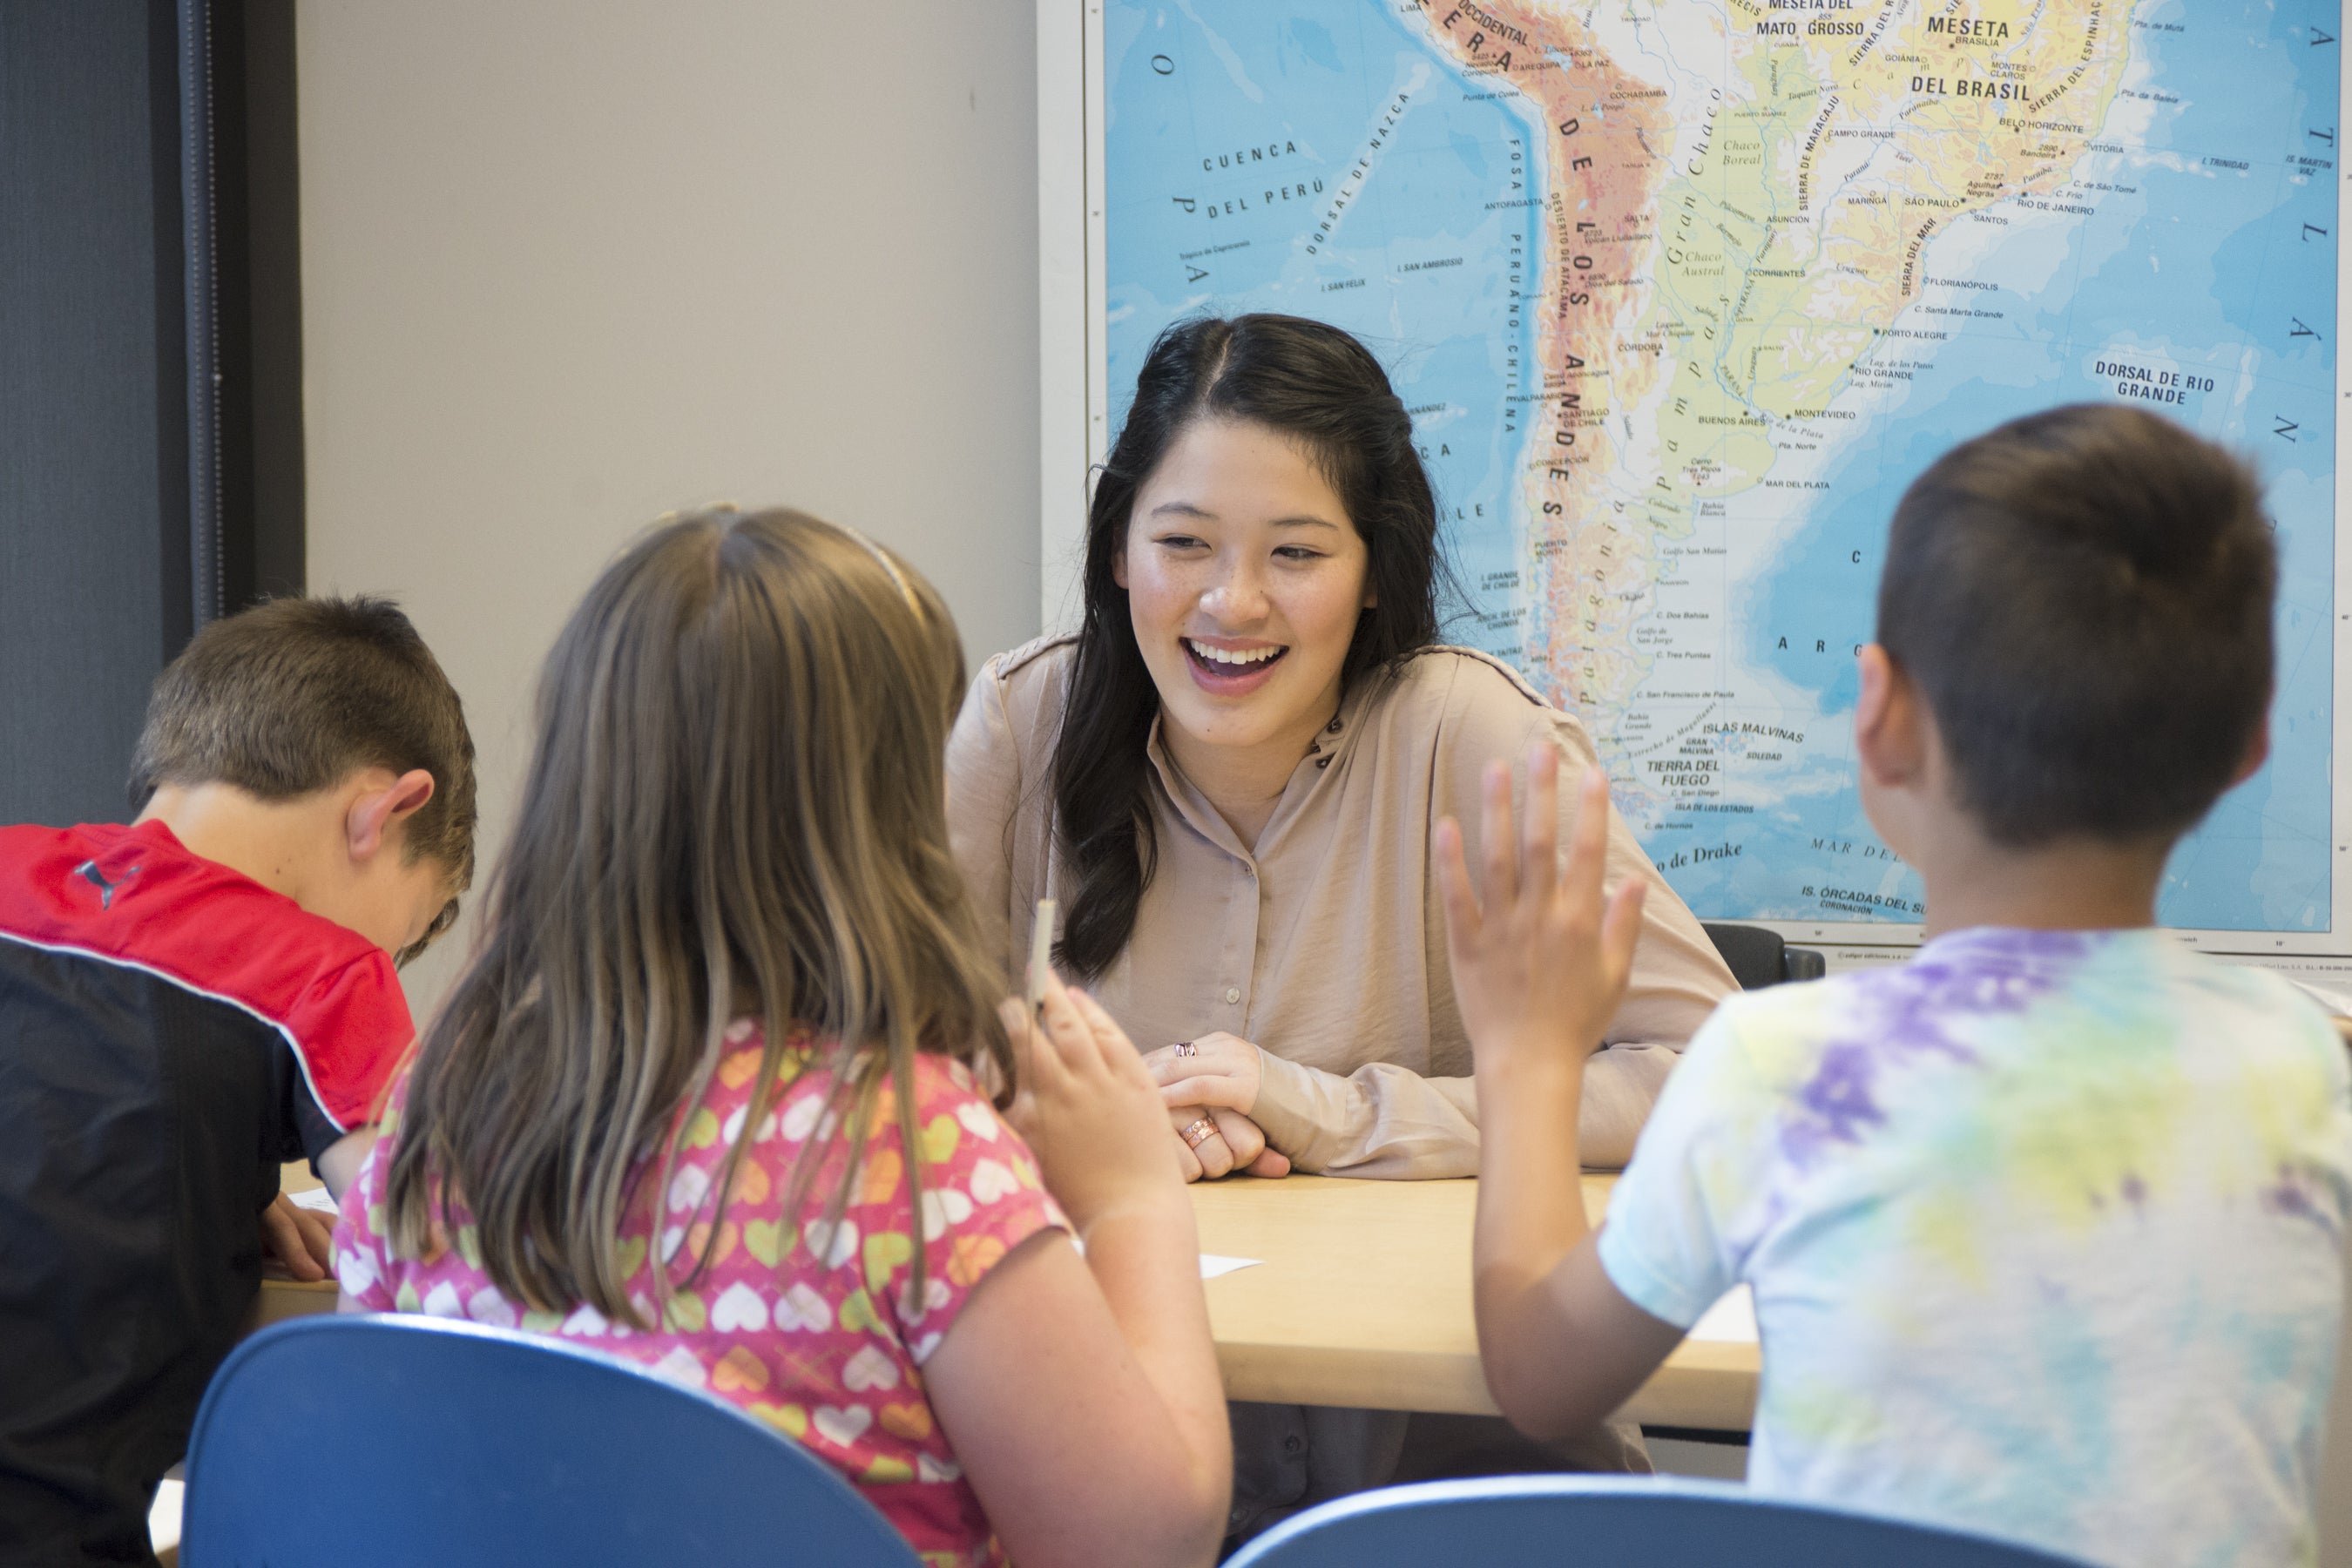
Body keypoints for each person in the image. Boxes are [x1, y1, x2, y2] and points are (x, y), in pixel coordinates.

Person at [1447, 405, 2352, 1568]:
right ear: (2250, 747)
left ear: (1878, 717)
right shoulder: (2308, 1067)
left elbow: (1538, 1379)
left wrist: (1525, 1056)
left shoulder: (1784, 1066)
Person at [945, 313, 1738, 1530]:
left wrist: (1319, 1109)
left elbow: (1707, 1074)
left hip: (1460, 1496)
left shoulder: (1475, 741)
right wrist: (1090, 1128)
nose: (1231, 601)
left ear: (1374, 569)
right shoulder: (1016, 726)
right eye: (1184, 542)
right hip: (1119, 1478)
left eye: (1298, 553)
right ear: (1117, 551)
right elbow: (883, 1074)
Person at [331, 508, 1230, 1568]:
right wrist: (1131, 1199)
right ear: (881, 815)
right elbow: (1141, 1547)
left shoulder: (439, 1119)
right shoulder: (912, 1148)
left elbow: (381, 1471)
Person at [0, 596, 476, 1566]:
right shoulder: (326, 974)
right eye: (408, 928)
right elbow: (441, 1257)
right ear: (387, 811)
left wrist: (219, 1168)